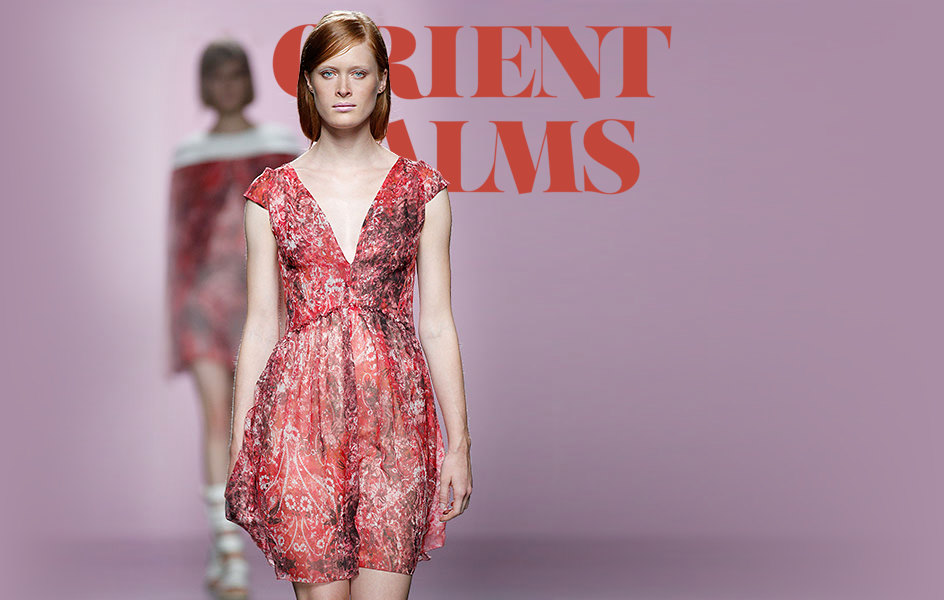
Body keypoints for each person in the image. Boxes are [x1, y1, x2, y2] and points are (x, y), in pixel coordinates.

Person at [223, 10, 473, 600]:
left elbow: (437, 323)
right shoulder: (270, 196)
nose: (342, 88)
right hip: (297, 425)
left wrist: (459, 444)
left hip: (396, 424)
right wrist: (241, 446)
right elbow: (261, 326)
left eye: (358, 73)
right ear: (308, 83)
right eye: (328, 72)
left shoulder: (423, 191)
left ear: (382, 81)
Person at [165, 38, 301, 599]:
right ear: (204, 85)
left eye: (236, 73)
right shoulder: (187, 154)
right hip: (202, 303)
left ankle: (281, 541)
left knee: (269, 421)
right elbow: (180, 243)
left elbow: (299, 232)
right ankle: (229, 551)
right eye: (216, 75)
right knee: (217, 418)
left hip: (264, 301)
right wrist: (176, 323)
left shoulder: (281, 146)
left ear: (249, 80)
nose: (226, 85)